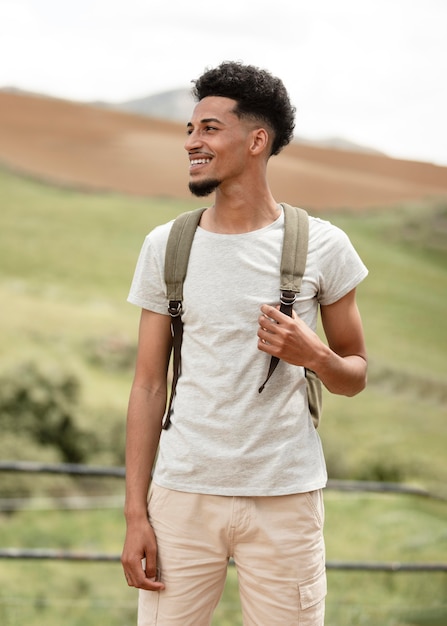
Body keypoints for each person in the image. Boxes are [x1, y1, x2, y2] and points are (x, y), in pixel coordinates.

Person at [121, 61, 368, 626]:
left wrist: (315, 357)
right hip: (181, 497)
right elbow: (147, 383)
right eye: (190, 129)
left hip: (286, 499)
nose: (192, 142)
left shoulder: (324, 247)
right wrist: (136, 513)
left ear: (257, 140)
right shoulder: (167, 246)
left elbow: (355, 374)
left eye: (209, 128)